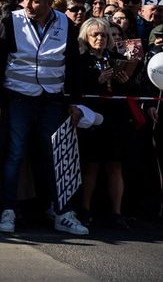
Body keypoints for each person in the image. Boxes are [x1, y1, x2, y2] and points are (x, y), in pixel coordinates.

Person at [0, 0, 89, 235]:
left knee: (56, 155)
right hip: (18, 98)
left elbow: (74, 65)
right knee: (15, 154)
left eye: (34, 1)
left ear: (48, 2)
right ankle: (8, 210)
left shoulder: (65, 23)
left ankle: (61, 212)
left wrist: (75, 102)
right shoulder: (12, 21)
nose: (28, 5)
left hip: (51, 100)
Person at [74, 16, 132, 228]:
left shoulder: (116, 58)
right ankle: (86, 209)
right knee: (92, 166)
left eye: (103, 35)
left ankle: (116, 212)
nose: (100, 38)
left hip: (115, 117)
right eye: (95, 35)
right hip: (93, 118)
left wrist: (125, 82)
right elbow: (76, 88)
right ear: (86, 37)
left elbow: (128, 89)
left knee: (115, 165)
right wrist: (96, 81)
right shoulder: (81, 60)